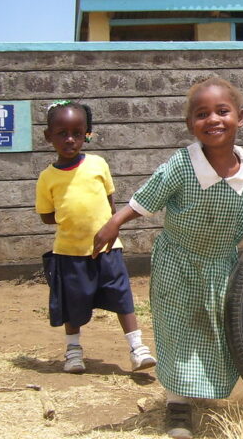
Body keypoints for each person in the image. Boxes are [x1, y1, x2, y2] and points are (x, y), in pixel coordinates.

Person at [94, 77, 243, 439]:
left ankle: (206, 390)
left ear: (241, 118)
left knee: (220, 331)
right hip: (177, 264)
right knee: (178, 331)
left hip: (223, 267)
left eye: (222, 111)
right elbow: (146, 197)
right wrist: (114, 223)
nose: (212, 119)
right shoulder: (182, 165)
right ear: (191, 125)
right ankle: (177, 406)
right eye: (202, 114)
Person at [35, 100, 156, 375]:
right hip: (68, 252)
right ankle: (74, 352)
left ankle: (137, 349)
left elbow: (110, 206)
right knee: (72, 304)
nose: (70, 140)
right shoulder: (47, 178)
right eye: (62, 133)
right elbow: (46, 215)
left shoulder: (98, 164)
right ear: (48, 136)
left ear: (86, 134)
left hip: (108, 249)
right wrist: (70, 218)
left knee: (121, 295)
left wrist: (107, 225)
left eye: (78, 133)